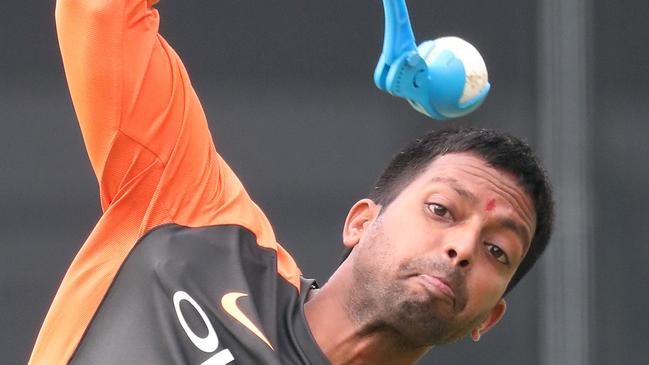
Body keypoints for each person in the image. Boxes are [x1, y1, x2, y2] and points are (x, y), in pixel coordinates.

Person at [31, 0, 554, 364]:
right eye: (441, 210)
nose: (463, 248)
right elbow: (101, 11)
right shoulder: (196, 219)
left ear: (489, 319)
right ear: (360, 221)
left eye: (497, 251)